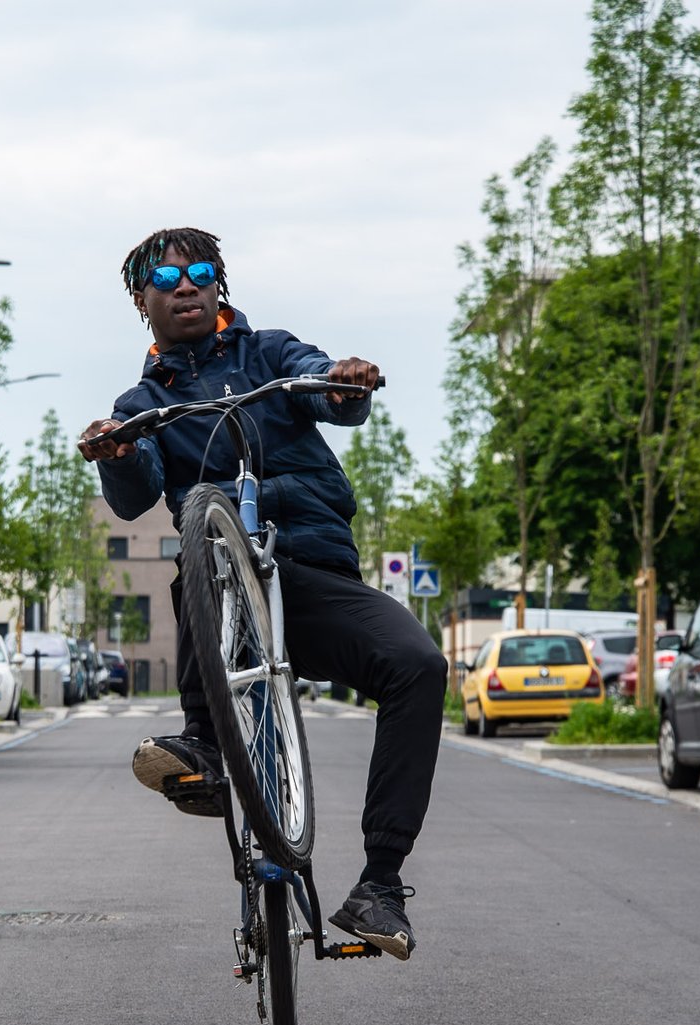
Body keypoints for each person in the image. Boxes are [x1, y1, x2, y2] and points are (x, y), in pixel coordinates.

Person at [78, 227, 447, 960]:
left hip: (312, 579)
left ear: (220, 285)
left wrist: (342, 379)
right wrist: (117, 452)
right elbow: (134, 494)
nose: (186, 284)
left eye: (201, 270)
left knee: (420, 665)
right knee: (203, 547)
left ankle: (380, 887)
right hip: (226, 595)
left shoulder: (269, 353)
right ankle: (205, 746)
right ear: (140, 299)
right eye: (166, 276)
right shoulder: (143, 401)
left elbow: (326, 387)